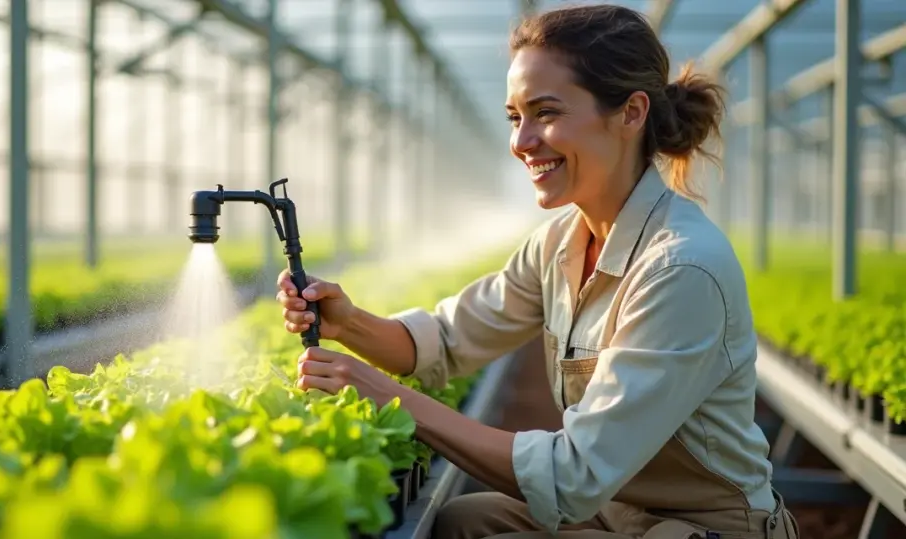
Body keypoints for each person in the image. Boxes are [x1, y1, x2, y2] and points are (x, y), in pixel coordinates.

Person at [274, 4, 799, 539]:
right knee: (460, 521)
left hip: (705, 527)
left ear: (631, 113)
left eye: (545, 113)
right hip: (617, 510)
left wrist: (389, 398)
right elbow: (450, 341)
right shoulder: (558, 244)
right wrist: (349, 324)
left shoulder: (680, 267)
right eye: (514, 117)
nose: (521, 143)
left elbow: (574, 473)